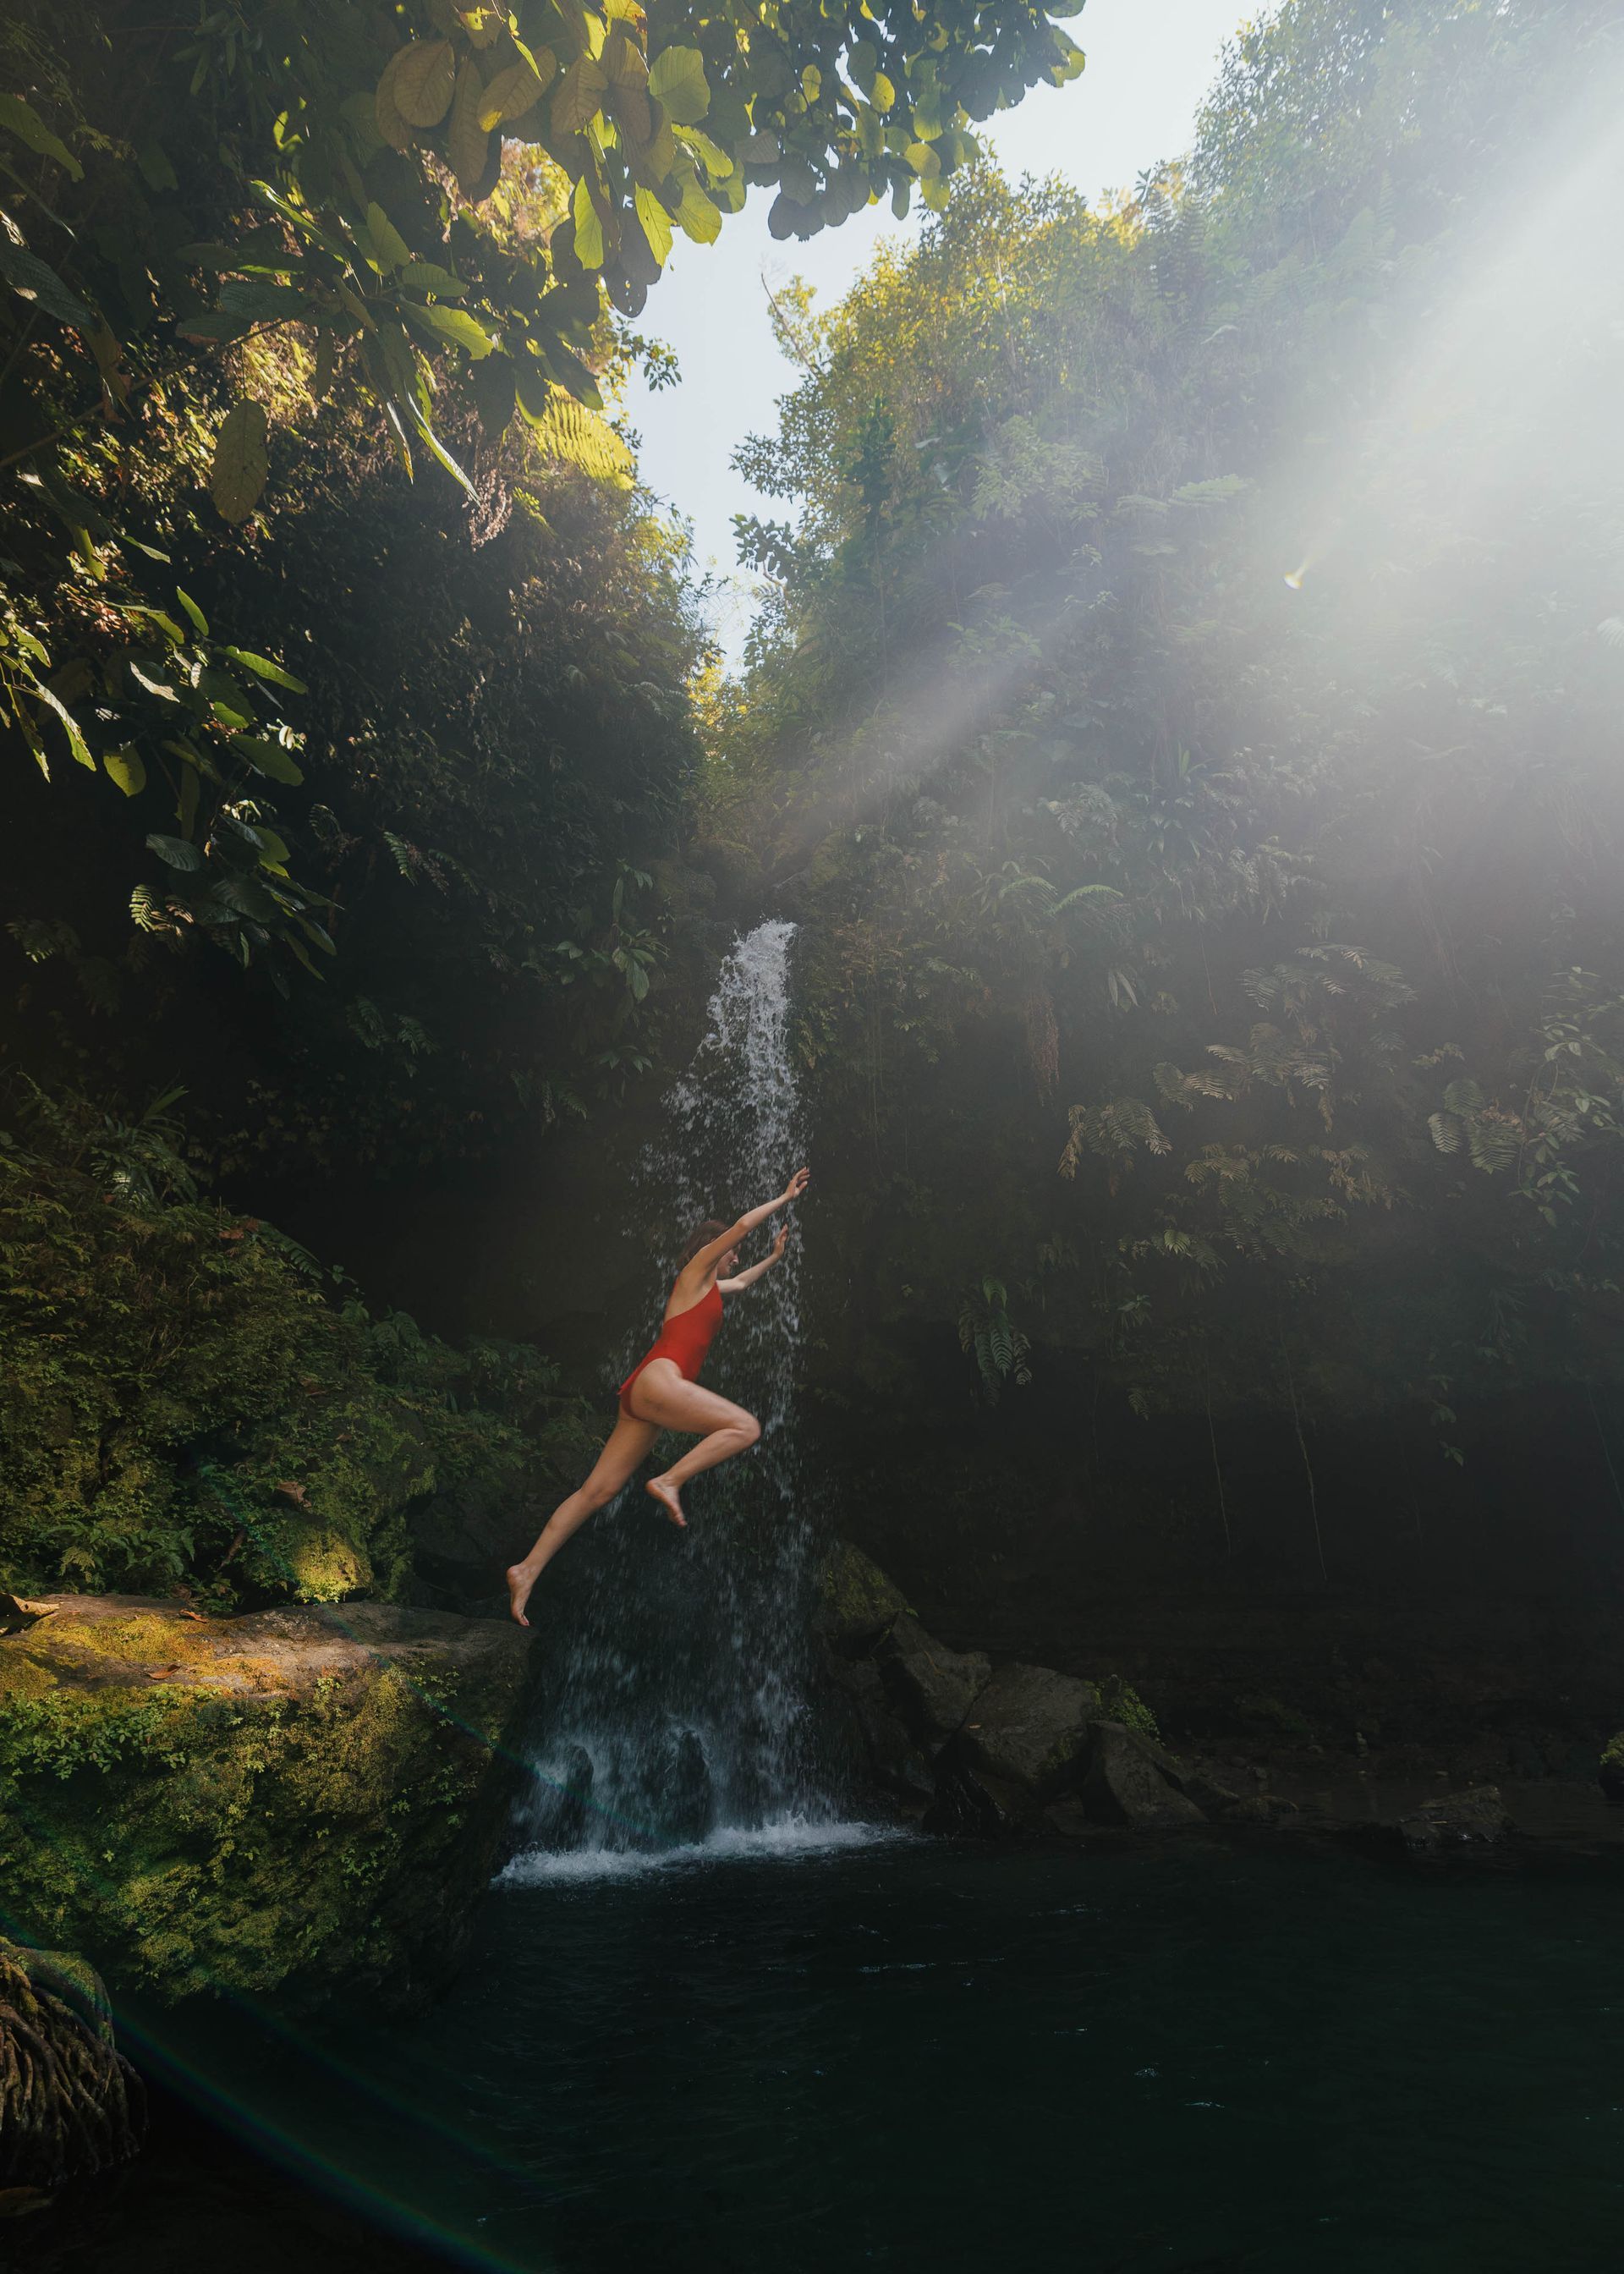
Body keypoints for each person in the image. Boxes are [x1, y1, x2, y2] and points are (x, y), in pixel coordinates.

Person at [505, 1166, 811, 1626]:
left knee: (597, 1491)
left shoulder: (710, 1290)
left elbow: (744, 1283)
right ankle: (669, 1481)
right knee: (745, 1427)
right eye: (732, 1254)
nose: (734, 1258)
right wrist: (784, 1198)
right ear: (712, 1248)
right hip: (659, 1379)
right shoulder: (694, 1271)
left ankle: (526, 1570)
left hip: (645, 1394)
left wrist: (773, 1257)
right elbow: (741, 1227)